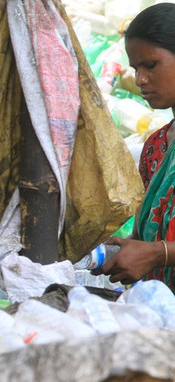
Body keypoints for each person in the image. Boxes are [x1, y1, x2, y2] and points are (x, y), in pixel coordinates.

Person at [99, 3, 175, 287]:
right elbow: (153, 237)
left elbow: (158, 249)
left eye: (151, 65)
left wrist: (156, 254)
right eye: (135, 68)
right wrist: (123, 250)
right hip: (160, 320)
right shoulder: (156, 147)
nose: (140, 79)